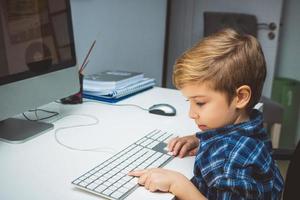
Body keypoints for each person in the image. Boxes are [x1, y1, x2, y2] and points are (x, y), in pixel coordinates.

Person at [129, 28, 284, 199]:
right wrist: (202, 139)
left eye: (200, 103)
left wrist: (178, 184)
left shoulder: (230, 158)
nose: (191, 114)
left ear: (240, 97)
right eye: (190, 102)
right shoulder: (250, 125)